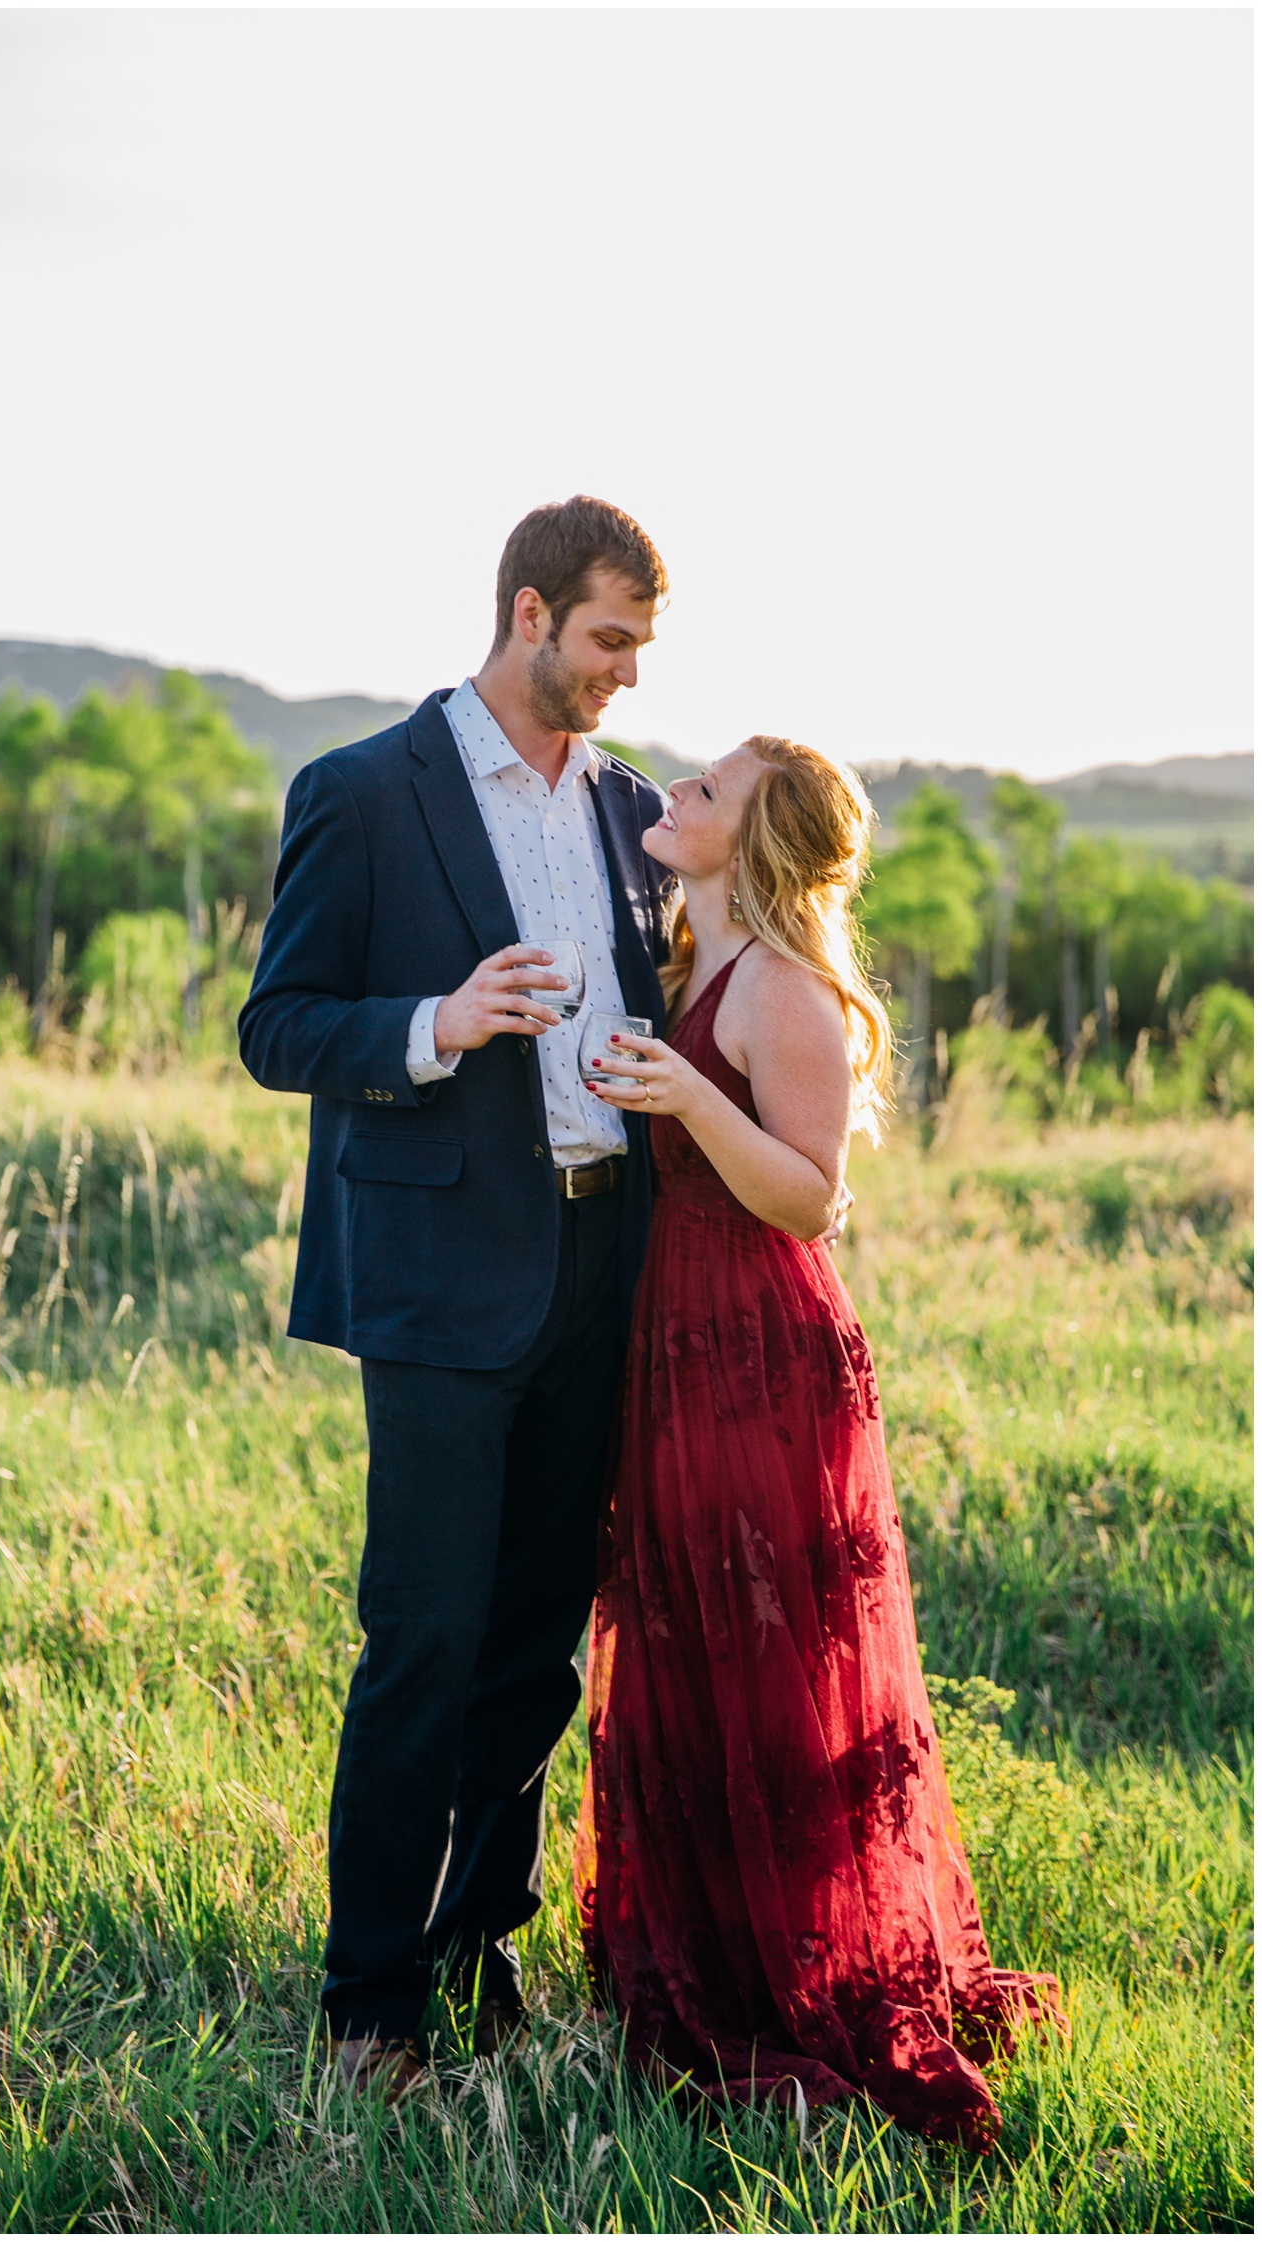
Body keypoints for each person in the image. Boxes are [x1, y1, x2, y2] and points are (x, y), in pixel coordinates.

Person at [237, 496, 676, 2099]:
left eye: (643, 645)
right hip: (433, 1282)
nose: (629, 672)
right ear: (531, 609)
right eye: (611, 638)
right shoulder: (360, 792)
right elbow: (279, 1026)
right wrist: (438, 1018)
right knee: (421, 1637)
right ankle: (370, 2007)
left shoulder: (633, 811)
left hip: (597, 1267)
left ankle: (482, 1950)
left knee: (537, 1649)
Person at [576, 736, 1067, 2152]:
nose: (678, 796)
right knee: (688, 1633)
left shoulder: (784, 994)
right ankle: (709, 1943)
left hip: (759, 1352)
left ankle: (792, 1964)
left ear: (759, 841)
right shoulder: (683, 963)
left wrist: (685, 1100)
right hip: (675, 1341)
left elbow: (805, 1198)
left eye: (709, 793)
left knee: (768, 1647)